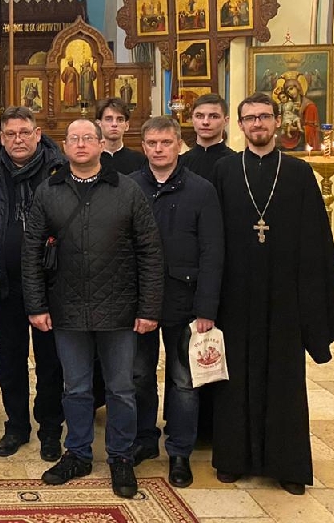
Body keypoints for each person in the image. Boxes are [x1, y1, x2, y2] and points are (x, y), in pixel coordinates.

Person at [210, 93, 334, 495]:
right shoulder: (224, 170)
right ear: (240, 125)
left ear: (276, 122)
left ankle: (287, 465)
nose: (258, 123)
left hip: (284, 294)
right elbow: (211, 236)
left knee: (285, 377)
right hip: (235, 292)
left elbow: (316, 239)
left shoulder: (298, 173)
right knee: (234, 377)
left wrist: (312, 298)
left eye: (264, 116)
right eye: (250, 118)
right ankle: (233, 458)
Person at [22, 118, 164, 499]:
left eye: (88, 137)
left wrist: (149, 308)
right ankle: (78, 453)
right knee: (76, 388)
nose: (81, 144)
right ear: (64, 146)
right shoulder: (49, 190)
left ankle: (121, 456)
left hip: (119, 309)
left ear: (102, 144)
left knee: (121, 388)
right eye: (74, 138)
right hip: (66, 309)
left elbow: (150, 251)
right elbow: (31, 252)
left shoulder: (128, 190)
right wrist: (36, 305)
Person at [129, 116, 224, 488]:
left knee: (184, 380)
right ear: (143, 146)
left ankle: (180, 451)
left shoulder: (201, 190)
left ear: (178, 145)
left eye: (165, 142)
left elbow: (213, 252)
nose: (158, 149)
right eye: (151, 143)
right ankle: (144, 439)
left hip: (186, 300)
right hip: (139, 301)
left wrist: (207, 308)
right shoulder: (129, 186)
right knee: (139, 375)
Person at [0, 106, 66, 461]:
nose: (18, 139)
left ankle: (50, 429)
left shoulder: (60, 169)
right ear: (1, 137)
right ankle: (16, 427)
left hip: (50, 282)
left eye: (25, 132)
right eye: (10, 134)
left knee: (50, 361)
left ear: (37, 134)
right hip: (6, 282)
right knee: (10, 359)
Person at [180, 93, 235, 180]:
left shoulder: (236, 163)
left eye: (214, 116)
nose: (205, 122)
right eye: (199, 116)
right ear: (192, 119)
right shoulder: (180, 163)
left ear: (226, 121)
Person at [96, 97, 147, 174]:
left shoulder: (140, 160)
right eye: (108, 119)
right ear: (98, 124)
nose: (114, 124)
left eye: (120, 120)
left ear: (127, 125)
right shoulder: (90, 159)